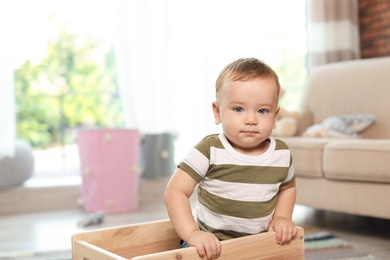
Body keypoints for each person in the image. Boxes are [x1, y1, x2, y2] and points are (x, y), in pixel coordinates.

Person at [164, 57, 297, 259]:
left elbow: (287, 187)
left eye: (262, 111)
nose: (251, 120)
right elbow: (175, 191)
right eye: (238, 109)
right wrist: (193, 234)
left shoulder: (281, 154)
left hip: (258, 246)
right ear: (217, 112)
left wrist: (282, 217)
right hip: (209, 247)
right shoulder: (210, 149)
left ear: (275, 116)